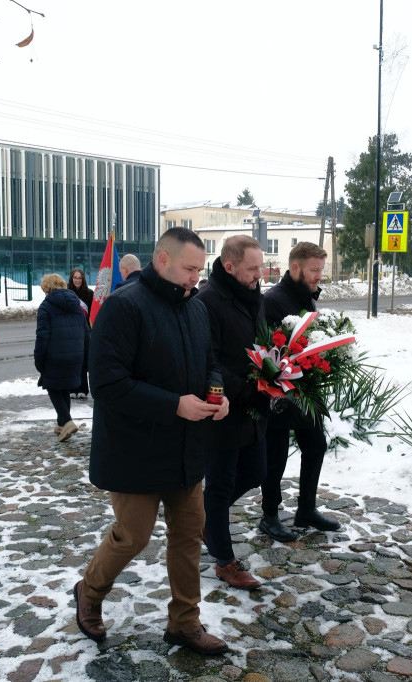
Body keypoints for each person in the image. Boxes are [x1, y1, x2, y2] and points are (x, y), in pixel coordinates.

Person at [73, 227, 231, 655]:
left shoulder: (194, 308)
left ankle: (184, 622)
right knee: (133, 535)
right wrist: (173, 405)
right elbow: (107, 384)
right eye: (189, 268)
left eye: (200, 270)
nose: (195, 279)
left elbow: (210, 362)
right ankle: (89, 592)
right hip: (134, 450)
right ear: (162, 260)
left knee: (188, 536)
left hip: (185, 450)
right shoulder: (124, 307)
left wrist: (217, 394)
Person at [197, 236, 268, 590]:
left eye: (261, 266)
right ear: (230, 266)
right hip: (222, 408)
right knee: (221, 484)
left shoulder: (252, 294)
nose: (260, 274)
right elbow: (207, 361)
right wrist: (248, 391)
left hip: (253, 405)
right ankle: (225, 561)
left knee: (257, 471)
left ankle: (208, 520)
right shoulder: (207, 301)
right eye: (253, 268)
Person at [258, 241, 341, 541]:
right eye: (314, 270)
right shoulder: (273, 299)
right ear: (295, 268)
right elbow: (267, 347)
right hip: (280, 391)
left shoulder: (306, 296)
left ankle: (306, 508)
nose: (319, 276)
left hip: (305, 387)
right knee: (276, 454)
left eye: (321, 270)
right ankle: (269, 515)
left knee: (316, 444)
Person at [35, 274, 90, 442]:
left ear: (46, 288)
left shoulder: (46, 306)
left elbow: (42, 336)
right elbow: (86, 332)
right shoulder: (77, 305)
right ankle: (61, 425)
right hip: (75, 355)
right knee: (64, 388)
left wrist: (39, 359)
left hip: (54, 356)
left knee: (52, 387)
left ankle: (67, 421)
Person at [67, 268, 94, 399]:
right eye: (75, 278)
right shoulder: (66, 293)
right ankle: (72, 388)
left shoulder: (89, 294)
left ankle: (83, 388)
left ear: (83, 279)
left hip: (84, 332)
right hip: (70, 332)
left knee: (83, 361)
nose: (77, 280)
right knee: (72, 361)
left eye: (80, 278)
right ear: (71, 279)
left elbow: (93, 314)